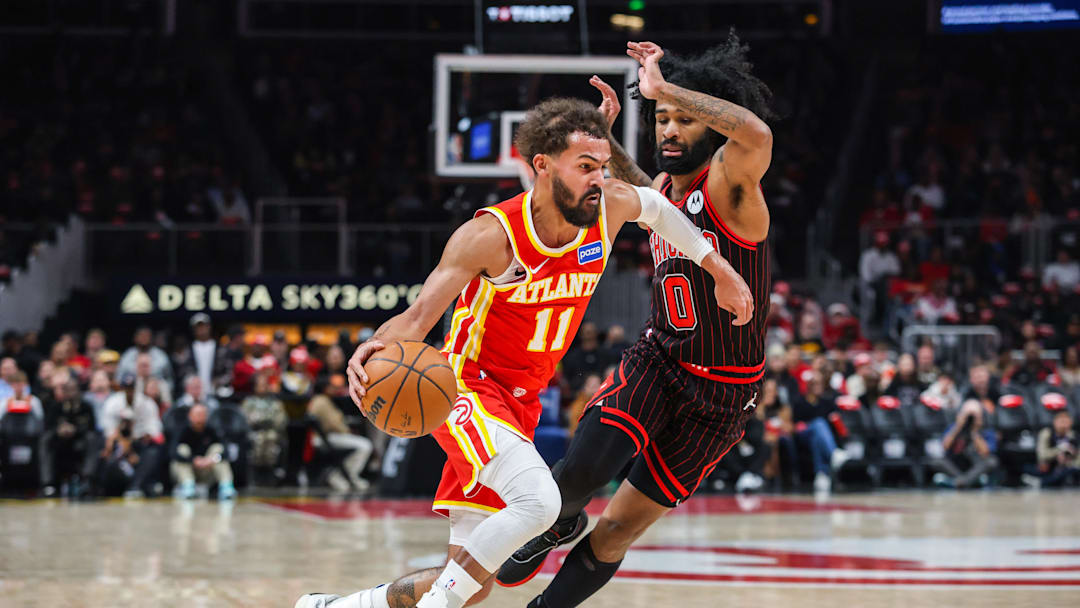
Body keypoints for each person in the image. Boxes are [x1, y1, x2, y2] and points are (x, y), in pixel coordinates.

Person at [296, 93, 751, 608]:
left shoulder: (610, 208)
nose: (599, 179)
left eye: (602, 167)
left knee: (471, 584)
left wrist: (722, 270)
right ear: (541, 165)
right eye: (585, 167)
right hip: (465, 388)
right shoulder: (491, 235)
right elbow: (419, 318)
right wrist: (372, 346)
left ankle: (335, 607)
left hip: (520, 404)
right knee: (540, 502)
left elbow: (663, 212)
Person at [498, 36, 773, 608]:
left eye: (682, 120)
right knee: (577, 477)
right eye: (661, 119)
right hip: (659, 360)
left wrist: (663, 86)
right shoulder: (667, 191)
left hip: (723, 395)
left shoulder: (731, 182)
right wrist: (603, 141)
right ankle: (554, 523)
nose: (668, 129)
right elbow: (645, 195)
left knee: (618, 530)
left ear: (711, 127)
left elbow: (758, 133)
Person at [101, 374, 164, 497]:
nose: (129, 392)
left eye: (131, 388)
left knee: (154, 452)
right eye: (126, 388)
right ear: (122, 388)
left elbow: (154, 431)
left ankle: (136, 485)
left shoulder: (147, 403)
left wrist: (133, 446)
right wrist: (124, 446)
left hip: (139, 443)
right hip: (118, 443)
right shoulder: (112, 403)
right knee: (106, 454)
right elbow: (108, 431)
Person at [308, 377, 373, 492]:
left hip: (325, 436)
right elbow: (334, 424)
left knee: (362, 444)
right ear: (324, 388)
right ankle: (342, 476)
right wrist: (348, 431)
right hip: (326, 437)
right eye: (330, 387)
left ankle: (344, 476)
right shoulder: (322, 401)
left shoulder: (319, 400)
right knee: (365, 445)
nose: (333, 389)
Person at [171, 403, 237, 499]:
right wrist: (193, 460)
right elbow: (172, 453)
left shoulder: (212, 430)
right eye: (197, 414)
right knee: (182, 449)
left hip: (206, 470)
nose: (199, 418)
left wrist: (211, 459)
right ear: (190, 416)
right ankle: (187, 486)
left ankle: (226, 487)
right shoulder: (182, 431)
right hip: (186, 470)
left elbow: (226, 452)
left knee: (217, 449)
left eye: (202, 414)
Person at [932, 399, 998, 488]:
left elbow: (985, 452)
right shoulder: (954, 427)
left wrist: (975, 431)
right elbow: (945, 446)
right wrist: (958, 426)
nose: (970, 418)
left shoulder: (986, 429)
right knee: (937, 461)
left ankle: (961, 482)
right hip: (956, 464)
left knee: (991, 461)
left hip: (974, 465)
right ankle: (966, 481)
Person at [241, 370, 287, 483]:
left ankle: (271, 474)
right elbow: (244, 419)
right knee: (257, 439)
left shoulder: (276, 403)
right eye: (259, 385)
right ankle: (255, 475)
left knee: (271, 438)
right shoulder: (248, 402)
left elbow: (281, 420)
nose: (262, 387)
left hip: (271, 432)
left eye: (264, 385)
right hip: (253, 432)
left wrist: (266, 421)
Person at [1023, 410, 1080, 488]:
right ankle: (1042, 482)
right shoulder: (1047, 433)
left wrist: (1069, 460)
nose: (1063, 425)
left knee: (1071, 471)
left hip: (1066, 467)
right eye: (1061, 421)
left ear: (1071, 423)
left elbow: (1078, 459)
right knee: (1027, 467)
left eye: (1066, 421)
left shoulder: (1074, 436)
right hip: (1048, 465)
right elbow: (1042, 455)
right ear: (1055, 422)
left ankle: (1041, 483)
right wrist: (1059, 450)